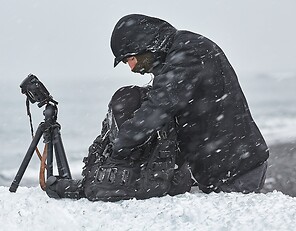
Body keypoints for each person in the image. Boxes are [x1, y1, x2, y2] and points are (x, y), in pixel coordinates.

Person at [46, 14, 269, 201]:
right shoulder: (182, 50)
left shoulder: (189, 53)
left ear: (146, 45)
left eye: (130, 59)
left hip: (235, 168)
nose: (132, 68)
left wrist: (119, 146)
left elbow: (158, 107)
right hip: (224, 164)